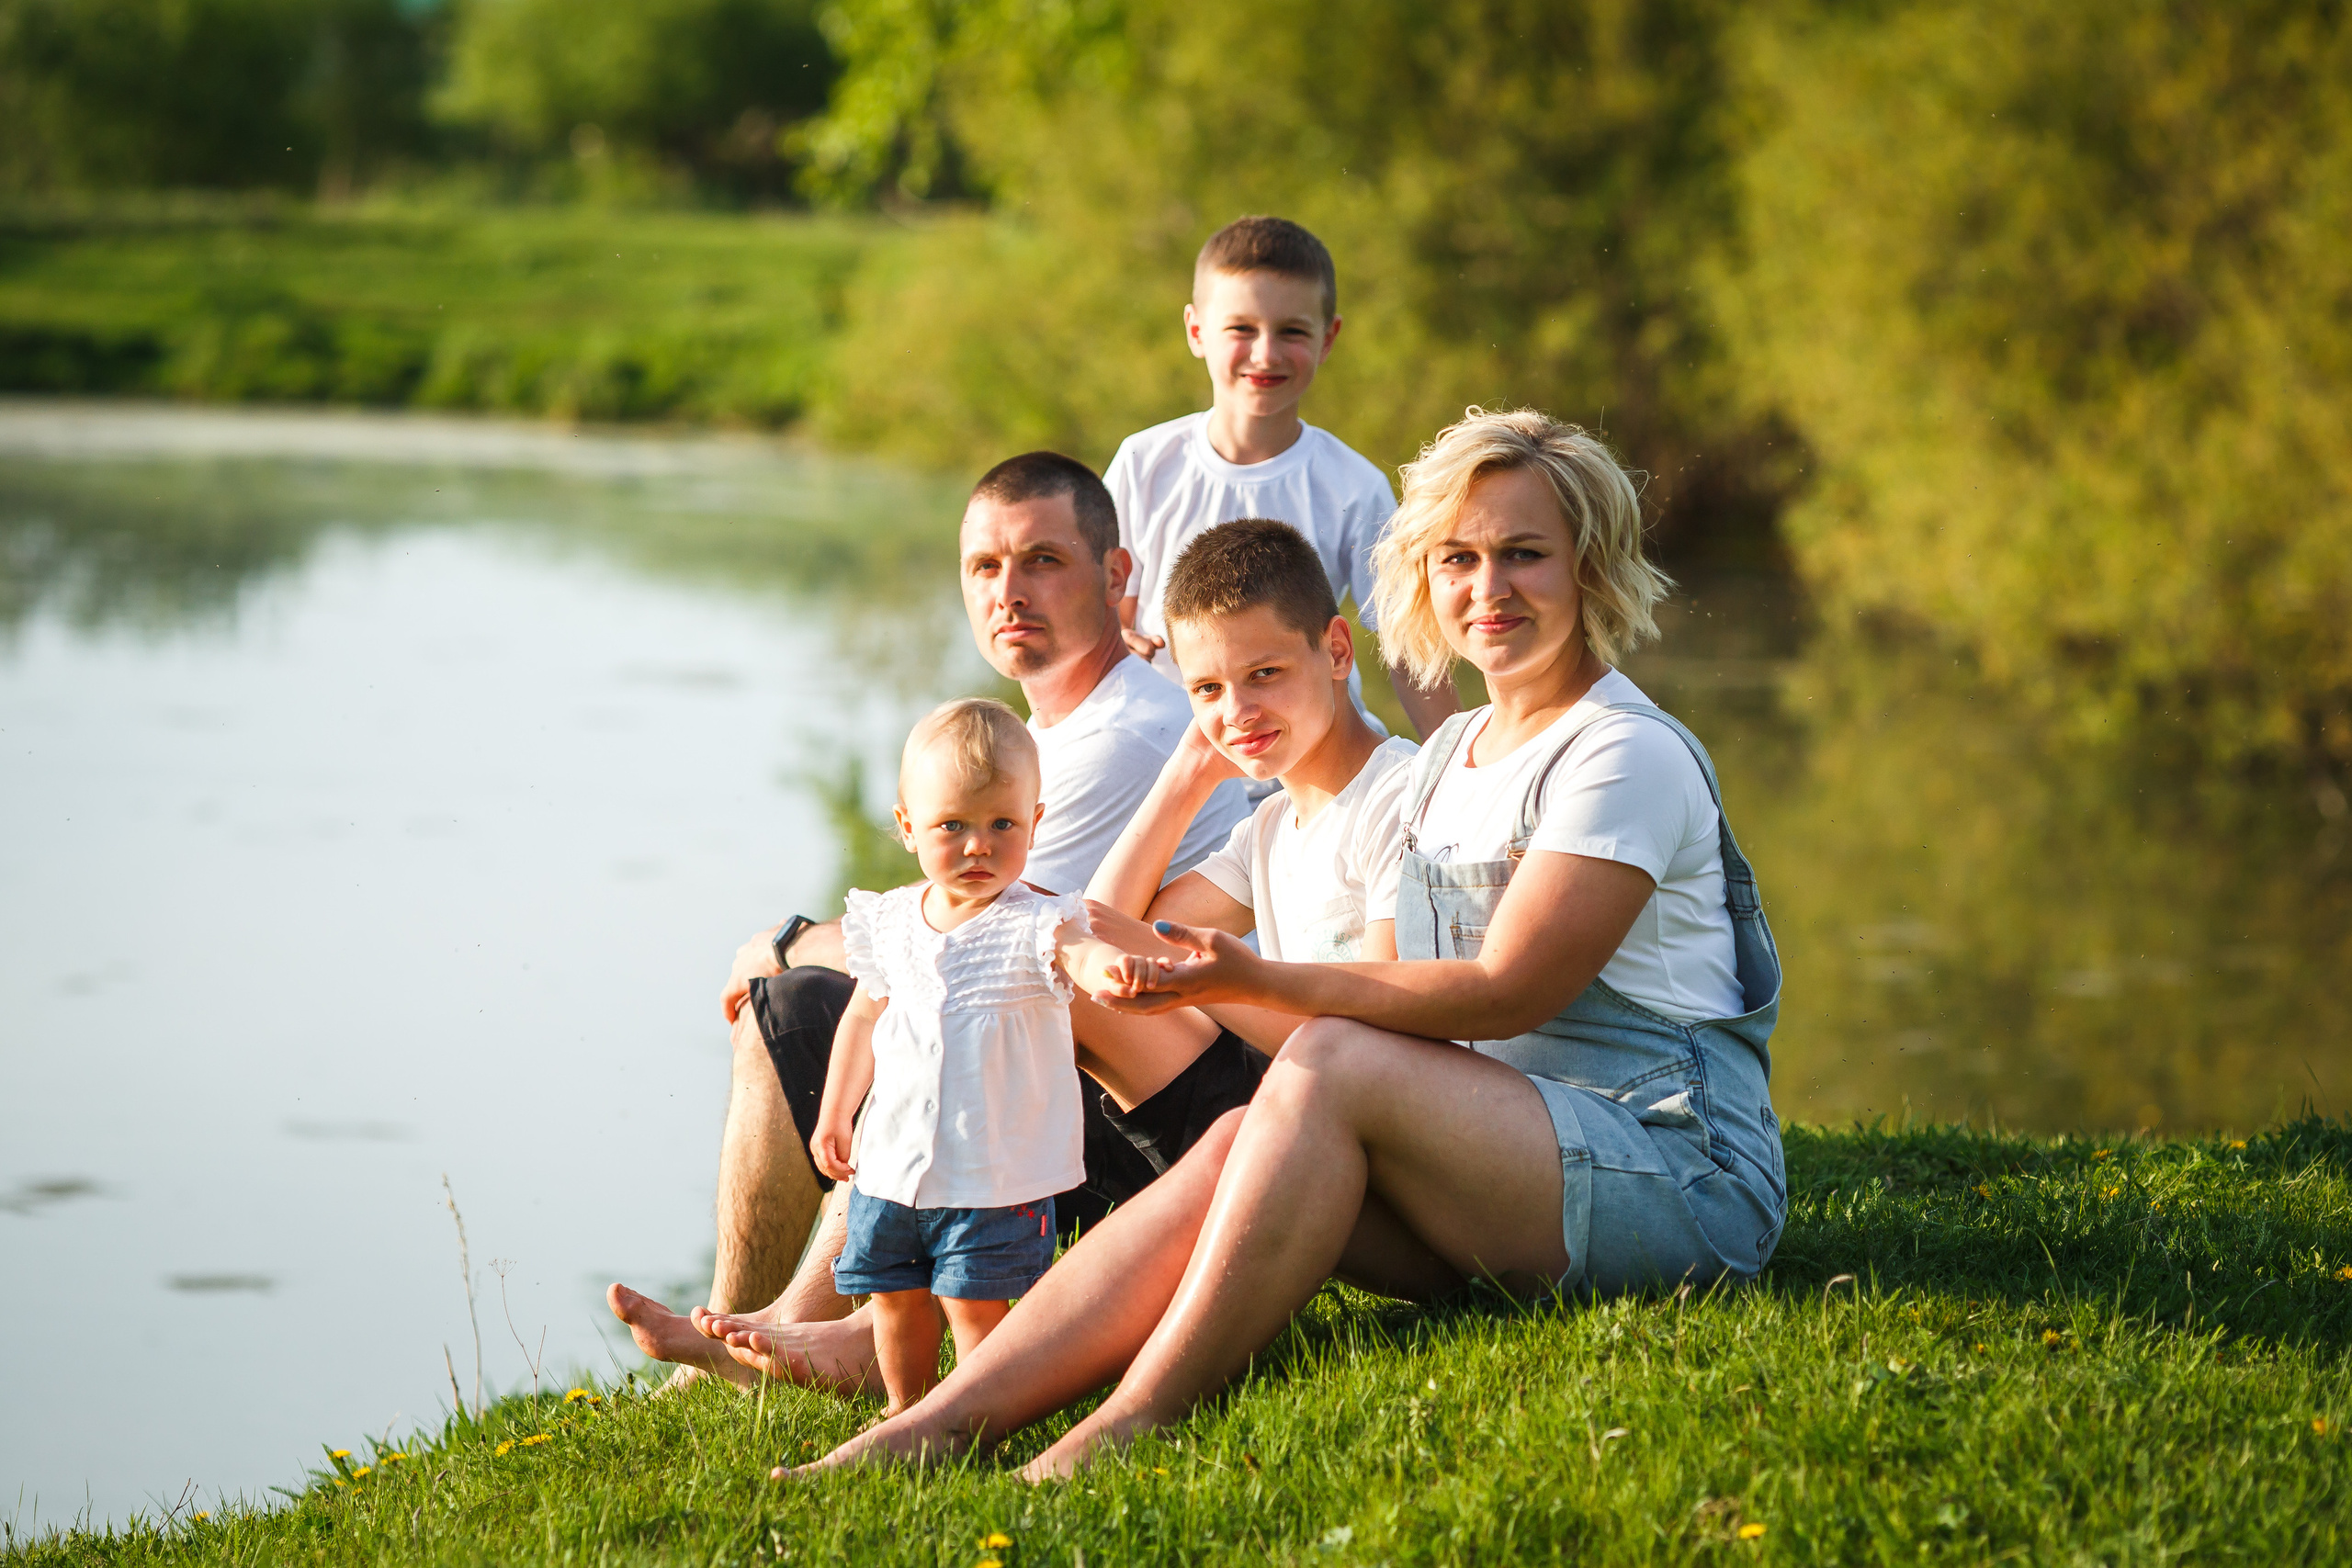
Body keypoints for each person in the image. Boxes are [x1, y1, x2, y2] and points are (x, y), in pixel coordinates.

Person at [766, 407, 1788, 1480]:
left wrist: (1246, 978)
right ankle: (928, 1429)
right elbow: (1115, 925)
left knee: (1325, 1059)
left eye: (1524, 555)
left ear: (1589, 565)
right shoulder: (1452, 757)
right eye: (1459, 559)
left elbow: (1503, 992)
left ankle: (1131, 1422)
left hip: (1675, 1182)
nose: (1487, 590)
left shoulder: (1622, 754)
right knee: (1231, 1144)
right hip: (1503, 1170)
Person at [606, 451, 1251, 1392]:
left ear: (1117, 580)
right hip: (1080, 1090)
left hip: (1166, 1120)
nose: (1009, 592)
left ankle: (785, 1337)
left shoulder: (1125, 735)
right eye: (984, 568)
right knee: (795, 1011)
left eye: (1042, 561)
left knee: (824, 1001)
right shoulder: (1045, 735)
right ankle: (744, 1336)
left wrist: (785, 941)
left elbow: (977, 940)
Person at [809, 698, 1140, 1416]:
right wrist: (837, 1108)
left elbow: (1078, 952)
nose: (978, 846)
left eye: (1002, 825)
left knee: (974, 1304)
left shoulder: (1035, 921)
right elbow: (864, 1014)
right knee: (892, 1295)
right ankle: (907, 1411)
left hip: (994, 1175)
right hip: (892, 1167)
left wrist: (1111, 967)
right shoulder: (892, 920)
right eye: (951, 826)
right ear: (907, 827)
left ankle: (973, 1416)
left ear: (1034, 822)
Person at [1075, 516, 1420, 1175]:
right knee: (1052, 941)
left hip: (1363, 1121)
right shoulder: (1267, 827)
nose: (1236, 712)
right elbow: (1110, 934)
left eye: (1263, 673)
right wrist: (1186, 774)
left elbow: (1382, 1040)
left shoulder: (1399, 795)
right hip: (1291, 1091)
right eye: (1207, 688)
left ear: (1337, 652)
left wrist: (1213, 985)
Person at [1105, 215, 1459, 739]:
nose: (1265, 353)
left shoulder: (1353, 487)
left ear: (1328, 337)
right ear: (1197, 330)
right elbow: (1111, 613)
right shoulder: (1143, 463)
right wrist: (1119, 644)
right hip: (1171, 758)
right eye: (1241, 328)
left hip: (1313, 765)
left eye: (1291, 331)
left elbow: (1408, 653)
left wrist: (1462, 772)